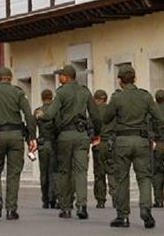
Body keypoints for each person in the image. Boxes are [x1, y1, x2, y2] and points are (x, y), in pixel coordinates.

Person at [103, 64, 164, 229]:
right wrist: (156, 136)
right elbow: (160, 119)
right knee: (144, 177)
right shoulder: (145, 96)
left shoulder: (117, 97)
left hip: (122, 141)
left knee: (121, 178)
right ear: (135, 79)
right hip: (142, 141)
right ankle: (146, 209)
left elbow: (106, 118)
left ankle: (123, 216)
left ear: (120, 81)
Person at [37, 64, 101, 220]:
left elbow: (50, 114)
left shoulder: (61, 92)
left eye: (61, 75)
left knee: (64, 172)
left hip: (65, 136)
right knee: (81, 172)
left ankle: (66, 207)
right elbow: (96, 116)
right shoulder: (85, 91)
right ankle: (82, 205)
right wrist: (96, 134)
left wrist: (41, 115)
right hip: (82, 135)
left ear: (66, 77)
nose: (59, 77)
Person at [0, 66, 37, 220]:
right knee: (14, 173)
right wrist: (31, 137)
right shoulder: (18, 92)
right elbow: (29, 116)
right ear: (11, 78)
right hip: (16, 136)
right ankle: (11, 209)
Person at [92, 89, 115, 209]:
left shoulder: (94, 111)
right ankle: (115, 197)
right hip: (111, 144)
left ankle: (100, 200)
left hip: (99, 143)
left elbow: (90, 127)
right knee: (112, 171)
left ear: (97, 99)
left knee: (99, 173)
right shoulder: (112, 110)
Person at [35, 89, 57, 209]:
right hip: (53, 144)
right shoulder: (55, 111)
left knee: (43, 173)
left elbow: (32, 127)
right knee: (53, 172)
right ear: (51, 97)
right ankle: (53, 197)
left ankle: (45, 199)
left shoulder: (37, 111)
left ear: (42, 98)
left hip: (42, 144)